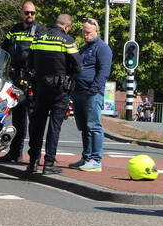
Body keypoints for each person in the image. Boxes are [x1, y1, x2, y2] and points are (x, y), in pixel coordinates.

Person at [26, 13, 81, 176]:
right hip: (60, 89)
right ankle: (48, 163)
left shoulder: (39, 37)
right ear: (67, 26)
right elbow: (78, 66)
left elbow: (29, 61)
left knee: (37, 125)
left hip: (41, 86)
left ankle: (33, 162)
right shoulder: (67, 40)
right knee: (55, 125)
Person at [0, 0, 42, 164]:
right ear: (21, 13)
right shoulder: (14, 30)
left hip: (32, 78)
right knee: (17, 118)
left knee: (34, 118)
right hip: (15, 78)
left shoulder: (40, 31)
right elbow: (4, 50)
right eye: (27, 13)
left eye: (33, 13)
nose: (30, 16)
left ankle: (34, 156)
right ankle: (15, 152)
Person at [69, 18, 112, 172]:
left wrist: (94, 89)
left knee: (94, 126)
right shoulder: (83, 48)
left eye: (88, 32)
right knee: (84, 127)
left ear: (96, 31)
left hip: (91, 93)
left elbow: (103, 71)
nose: (85, 35)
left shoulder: (102, 48)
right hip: (79, 92)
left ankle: (95, 159)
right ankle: (86, 157)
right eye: (83, 32)